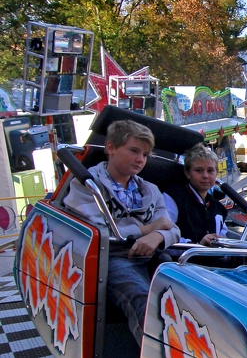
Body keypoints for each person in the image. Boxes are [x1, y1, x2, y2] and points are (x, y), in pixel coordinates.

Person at [63, 120, 180, 344]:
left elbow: (171, 228)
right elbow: (100, 233)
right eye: (134, 151)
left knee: (190, 297)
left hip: (152, 255)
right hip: (111, 258)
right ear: (111, 148)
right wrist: (149, 228)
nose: (140, 160)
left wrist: (157, 236)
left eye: (145, 155)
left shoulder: (149, 189)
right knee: (145, 301)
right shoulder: (87, 186)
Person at [163, 143, 228, 246]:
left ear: (216, 173)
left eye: (210, 170)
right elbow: (163, 237)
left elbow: (224, 240)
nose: (205, 176)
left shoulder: (219, 209)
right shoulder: (173, 198)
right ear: (187, 173)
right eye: (199, 170)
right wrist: (198, 245)